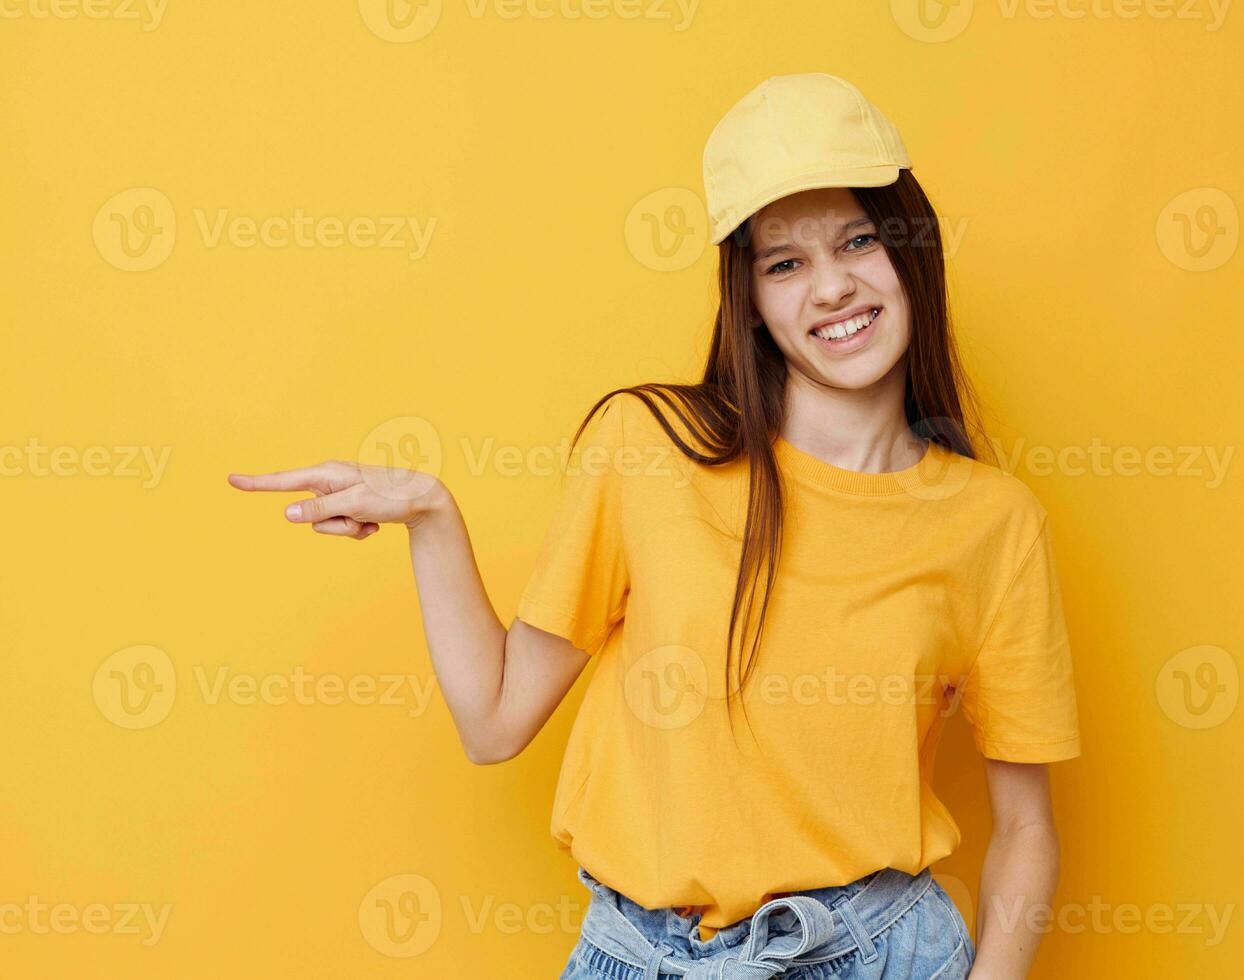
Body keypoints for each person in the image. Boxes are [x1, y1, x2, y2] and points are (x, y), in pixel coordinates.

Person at [228, 72, 1080, 980]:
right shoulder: (648, 449)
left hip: (876, 955)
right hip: (640, 955)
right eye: (784, 263)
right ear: (749, 299)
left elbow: (1025, 825)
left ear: (912, 251)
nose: (831, 288)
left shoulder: (992, 525)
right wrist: (433, 517)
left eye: (859, 241)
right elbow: (494, 721)